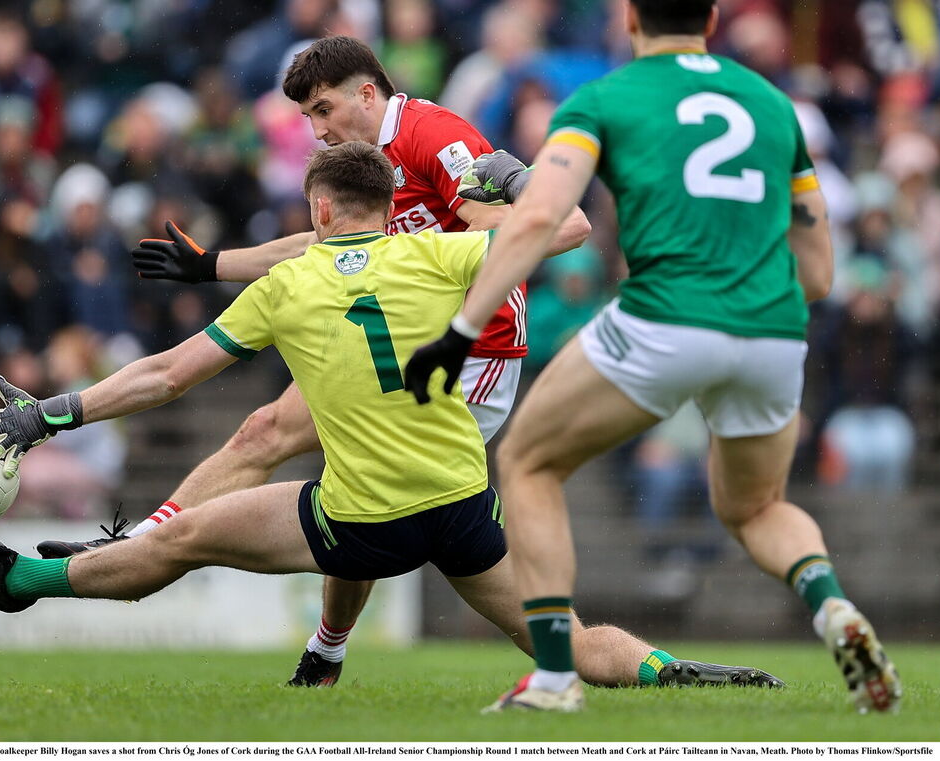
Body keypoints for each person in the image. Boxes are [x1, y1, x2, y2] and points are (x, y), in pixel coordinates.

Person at [0, 142, 783, 695]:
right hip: (461, 508)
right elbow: (566, 224)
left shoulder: (288, 283)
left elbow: (167, 375)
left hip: (362, 527)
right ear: (389, 205)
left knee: (176, 539)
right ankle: (678, 673)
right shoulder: (443, 250)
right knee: (562, 636)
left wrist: (51, 414)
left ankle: (21, 583)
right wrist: (515, 176)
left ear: (318, 212)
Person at [405, 0, 901, 714]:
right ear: (711, 15)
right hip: (772, 329)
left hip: (665, 316)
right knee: (756, 506)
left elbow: (538, 215)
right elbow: (820, 274)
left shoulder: (606, 98)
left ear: (629, 13)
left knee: (531, 463)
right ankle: (833, 604)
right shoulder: (775, 105)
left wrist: (462, 328)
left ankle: (555, 678)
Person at [43, 34, 591, 688]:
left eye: (324, 110)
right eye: (307, 116)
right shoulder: (365, 168)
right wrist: (211, 266)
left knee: (367, 488)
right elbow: (321, 241)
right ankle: (139, 548)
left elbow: (514, 227)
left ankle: (578, 655)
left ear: (368, 93)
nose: (317, 129)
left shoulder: (435, 137)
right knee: (262, 432)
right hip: (400, 339)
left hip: (474, 350)